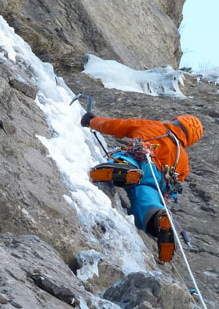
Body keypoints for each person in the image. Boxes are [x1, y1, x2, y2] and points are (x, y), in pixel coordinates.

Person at [81, 111, 203, 262]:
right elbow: (172, 188)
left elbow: (118, 126)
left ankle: (123, 170)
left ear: (176, 121)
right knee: (147, 200)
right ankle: (156, 219)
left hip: (141, 159)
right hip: (157, 182)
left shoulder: (153, 126)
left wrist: (93, 121)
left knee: (125, 159)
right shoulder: (182, 158)